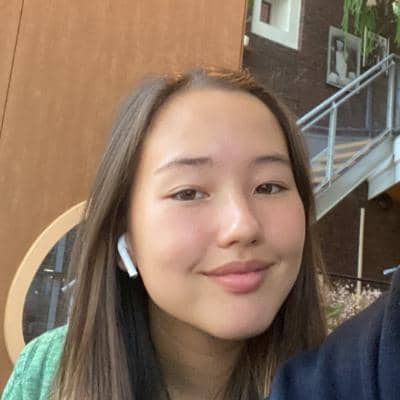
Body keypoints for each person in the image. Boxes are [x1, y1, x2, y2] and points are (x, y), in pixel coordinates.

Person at [3, 68, 398, 400]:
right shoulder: (46, 375)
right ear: (125, 234)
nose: (242, 226)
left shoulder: (348, 381)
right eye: (188, 192)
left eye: (269, 186)